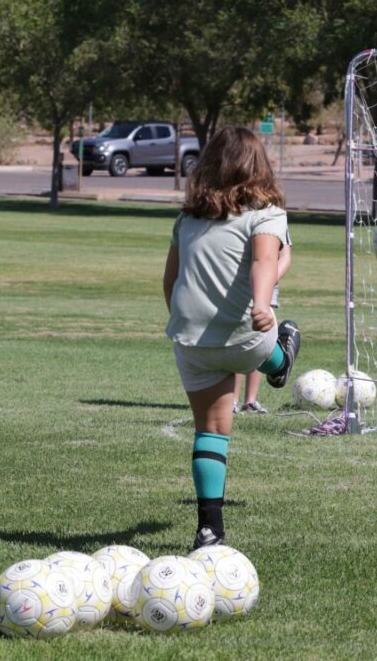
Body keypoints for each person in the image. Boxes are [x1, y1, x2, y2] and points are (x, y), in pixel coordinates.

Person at [163, 126, 301, 548]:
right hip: (248, 337)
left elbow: (170, 280)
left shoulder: (187, 219)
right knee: (267, 348)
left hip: (191, 341)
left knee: (211, 431)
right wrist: (263, 303)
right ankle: (282, 360)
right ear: (259, 166)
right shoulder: (267, 213)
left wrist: (188, 323)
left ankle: (209, 530)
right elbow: (264, 260)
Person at [232, 238, 292, 415]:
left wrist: (265, 280)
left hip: (265, 286)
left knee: (260, 337)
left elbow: (285, 257)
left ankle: (250, 401)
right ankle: (232, 400)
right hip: (238, 285)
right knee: (237, 336)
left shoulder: (276, 219)